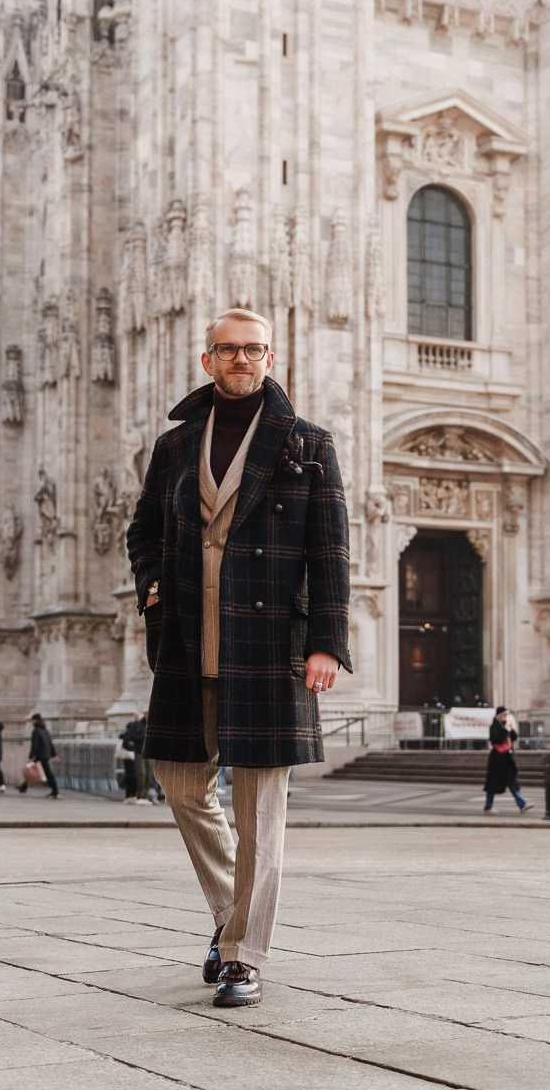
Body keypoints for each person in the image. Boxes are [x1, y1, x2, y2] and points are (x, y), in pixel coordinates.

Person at [127, 306, 351, 1011]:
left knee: (261, 808)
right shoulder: (174, 446)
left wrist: (325, 641)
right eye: (228, 350)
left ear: (271, 358)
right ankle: (232, 918)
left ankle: (244, 957)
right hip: (189, 639)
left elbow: (331, 551)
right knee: (179, 779)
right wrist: (154, 586)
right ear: (208, 361)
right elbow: (140, 532)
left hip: (266, 645)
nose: (241, 360)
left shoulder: (309, 443)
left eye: (253, 349)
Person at [483, 706, 529, 813]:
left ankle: (522, 804)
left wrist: (510, 729)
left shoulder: (505, 725)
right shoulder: (493, 727)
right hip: (497, 760)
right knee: (492, 784)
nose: (506, 717)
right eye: (504, 715)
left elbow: (514, 738)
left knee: (512, 781)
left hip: (506, 759)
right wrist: (506, 730)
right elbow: (498, 740)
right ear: (499, 716)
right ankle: (488, 806)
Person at [19, 714, 58, 797]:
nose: (31, 722)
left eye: (32, 720)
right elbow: (50, 743)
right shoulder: (45, 730)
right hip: (45, 754)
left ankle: (56, 791)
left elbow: (34, 745)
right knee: (31, 769)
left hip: (39, 755)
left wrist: (31, 757)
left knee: (36, 770)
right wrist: (54, 754)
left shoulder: (36, 731)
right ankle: (23, 787)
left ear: (35, 720)